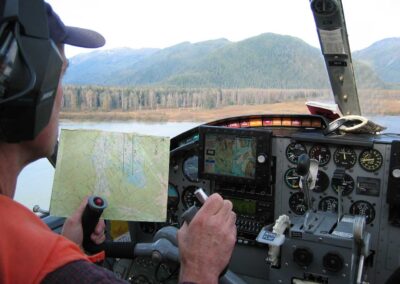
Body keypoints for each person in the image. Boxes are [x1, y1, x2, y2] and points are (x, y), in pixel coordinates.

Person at [0, 1, 236, 283]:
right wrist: (199, 269)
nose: (62, 95)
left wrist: (73, 251)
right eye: (61, 75)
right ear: (22, 84)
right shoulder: (43, 264)